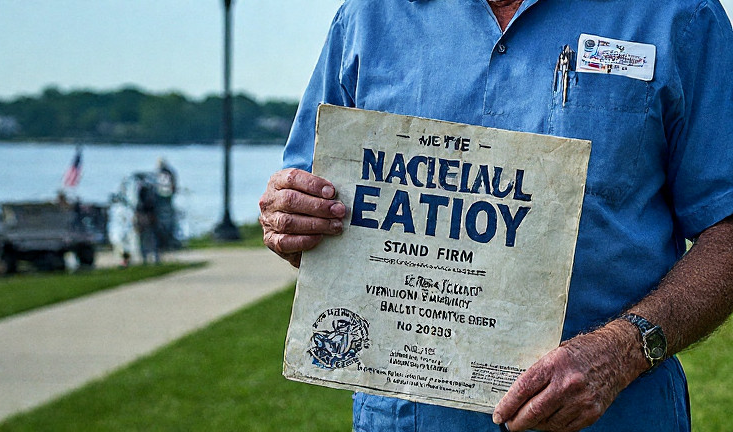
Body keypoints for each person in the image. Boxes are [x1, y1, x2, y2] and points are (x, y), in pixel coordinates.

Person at [259, 1, 733, 431]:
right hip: (411, 418)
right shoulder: (367, 18)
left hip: (616, 414)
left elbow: (726, 230)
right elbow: (314, 211)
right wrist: (291, 219)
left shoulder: (678, 14)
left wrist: (622, 351)